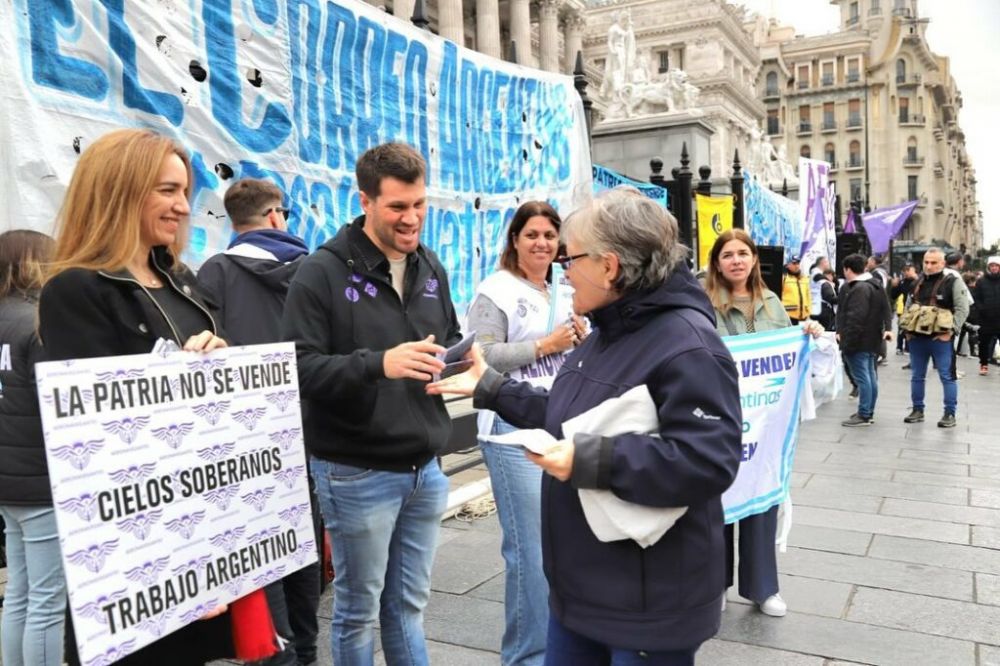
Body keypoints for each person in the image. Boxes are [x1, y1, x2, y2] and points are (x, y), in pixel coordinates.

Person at [430, 188, 743, 664]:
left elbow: (707, 459)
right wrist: (490, 387)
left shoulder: (687, 344)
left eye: (569, 258)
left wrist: (590, 459)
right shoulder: (609, 330)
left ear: (609, 266)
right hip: (584, 590)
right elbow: (567, 410)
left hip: (647, 604)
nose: (564, 271)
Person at [37, 129, 236, 664]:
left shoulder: (180, 282)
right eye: (167, 190)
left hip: (197, 523)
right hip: (138, 558)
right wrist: (179, 562)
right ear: (120, 188)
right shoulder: (78, 290)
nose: (181, 206)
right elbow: (97, 442)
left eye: (184, 191)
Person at [282, 142, 461, 665]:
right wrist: (377, 364)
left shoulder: (430, 265)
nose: (413, 218)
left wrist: (455, 364)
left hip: (425, 468)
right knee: (358, 610)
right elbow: (297, 368)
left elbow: (445, 337)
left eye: (420, 204)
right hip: (355, 471)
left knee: (407, 606)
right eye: (398, 207)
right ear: (365, 201)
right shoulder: (320, 272)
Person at [198, 178, 319, 666]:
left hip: (244, 439)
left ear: (235, 222)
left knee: (257, 554)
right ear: (276, 216)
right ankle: (306, 652)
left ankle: (279, 652)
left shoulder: (214, 274)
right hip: (308, 429)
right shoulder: (315, 270)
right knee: (301, 541)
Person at [466, 201, 586, 665]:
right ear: (514, 239)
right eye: (532, 234)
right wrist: (545, 344)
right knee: (530, 554)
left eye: (550, 236)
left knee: (560, 547)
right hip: (510, 427)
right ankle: (526, 658)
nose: (541, 243)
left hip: (557, 422)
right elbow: (481, 355)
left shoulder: (564, 289)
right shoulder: (496, 290)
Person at [704, 229, 822, 618]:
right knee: (717, 501)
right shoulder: (704, 305)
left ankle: (762, 588)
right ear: (717, 263)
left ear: (754, 259)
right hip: (721, 419)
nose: (736, 260)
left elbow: (784, 352)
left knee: (762, 499)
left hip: (764, 423)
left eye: (743, 253)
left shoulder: (771, 301)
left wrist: (806, 334)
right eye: (727, 255)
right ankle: (714, 585)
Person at [1, 230, 65, 666]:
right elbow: (57, 406)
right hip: (41, 479)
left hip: (8, 479)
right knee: (46, 601)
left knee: (19, 594)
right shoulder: (38, 324)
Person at [900, 248, 970, 428]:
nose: (929, 266)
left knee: (947, 376)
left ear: (942, 263)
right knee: (917, 376)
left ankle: (949, 413)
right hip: (917, 338)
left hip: (941, 339)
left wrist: (950, 331)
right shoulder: (917, 282)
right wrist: (907, 332)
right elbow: (909, 307)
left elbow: (963, 309)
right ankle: (917, 409)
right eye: (926, 262)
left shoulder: (953, 282)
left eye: (934, 262)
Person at [836, 254, 893, 427]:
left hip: (859, 340)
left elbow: (855, 318)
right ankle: (867, 411)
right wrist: (888, 328)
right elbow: (886, 308)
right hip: (872, 338)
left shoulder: (858, 288)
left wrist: (847, 343)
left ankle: (864, 414)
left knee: (863, 377)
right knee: (870, 376)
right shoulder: (875, 284)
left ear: (847, 269)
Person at [972, 256, 1000, 375]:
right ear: (988, 267)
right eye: (992, 266)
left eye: (996, 266)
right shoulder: (981, 281)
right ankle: (984, 364)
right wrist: (982, 309)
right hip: (986, 318)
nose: (994, 268)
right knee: (984, 343)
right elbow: (976, 298)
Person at [892, 263, 918, 356]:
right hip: (903, 309)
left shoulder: (919, 281)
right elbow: (893, 296)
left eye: (908, 270)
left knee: (912, 329)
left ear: (914, 270)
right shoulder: (902, 282)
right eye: (904, 270)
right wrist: (894, 286)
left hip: (916, 309)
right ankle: (899, 347)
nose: (906, 272)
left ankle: (909, 347)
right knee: (902, 328)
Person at [780, 255, 810, 324]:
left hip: (803, 317)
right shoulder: (783, 278)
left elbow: (807, 296)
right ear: (787, 265)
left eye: (798, 263)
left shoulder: (804, 279)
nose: (797, 266)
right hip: (788, 317)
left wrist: (808, 312)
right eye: (794, 263)